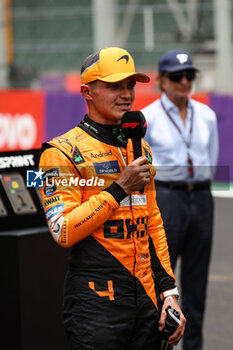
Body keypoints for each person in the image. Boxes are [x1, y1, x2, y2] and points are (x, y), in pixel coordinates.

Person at [39, 47, 186, 350]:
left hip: (146, 303)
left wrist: (169, 292)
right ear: (87, 91)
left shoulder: (139, 148)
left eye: (130, 85)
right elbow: (62, 230)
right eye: (114, 86)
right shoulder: (60, 152)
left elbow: (153, 223)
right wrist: (119, 189)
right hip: (96, 306)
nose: (126, 94)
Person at [142, 49, 219, 350]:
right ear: (161, 80)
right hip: (166, 196)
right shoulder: (148, 117)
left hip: (201, 197)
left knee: (197, 285)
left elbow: (210, 160)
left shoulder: (207, 116)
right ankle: (156, 345)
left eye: (189, 75)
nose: (184, 81)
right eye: (176, 76)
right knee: (161, 282)